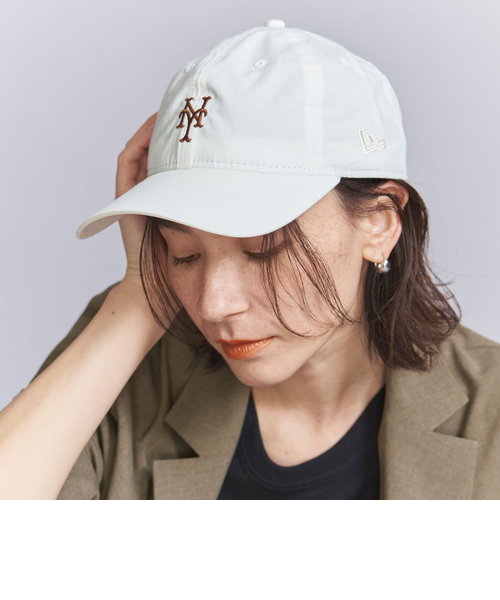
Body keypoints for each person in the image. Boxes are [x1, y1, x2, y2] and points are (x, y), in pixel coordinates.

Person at [2, 20, 500, 500]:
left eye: (264, 251)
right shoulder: (129, 366)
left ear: (378, 222)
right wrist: (139, 295)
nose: (213, 304)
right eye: (184, 254)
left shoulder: (489, 408)